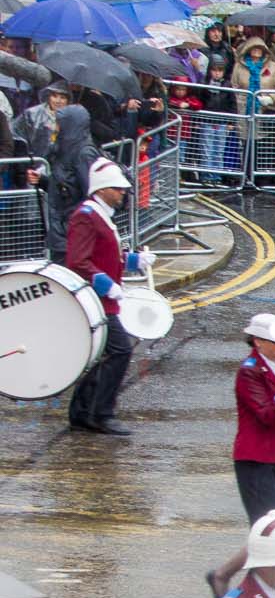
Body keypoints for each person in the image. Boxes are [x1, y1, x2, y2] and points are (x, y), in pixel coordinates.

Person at [205, 313, 275, 598]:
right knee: (269, 535)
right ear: (257, 342)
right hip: (255, 459)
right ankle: (254, 592)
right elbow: (268, 416)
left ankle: (223, 575)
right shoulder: (249, 371)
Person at [65, 158, 154, 437]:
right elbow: (78, 261)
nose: (122, 193)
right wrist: (105, 284)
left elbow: (106, 255)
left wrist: (132, 260)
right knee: (120, 351)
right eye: (117, 189)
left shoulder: (99, 215)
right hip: (97, 301)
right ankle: (101, 413)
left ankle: (82, 412)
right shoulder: (87, 215)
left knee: (104, 355)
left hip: (104, 300)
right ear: (102, 189)